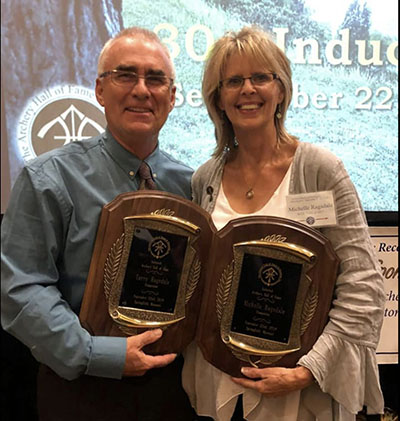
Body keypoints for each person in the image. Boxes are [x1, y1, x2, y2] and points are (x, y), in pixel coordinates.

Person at [181, 26, 385, 421]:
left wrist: (308, 370)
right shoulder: (205, 178)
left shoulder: (320, 170)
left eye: (260, 77)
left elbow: (363, 284)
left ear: (281, 89)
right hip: (218, 384)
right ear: (218, 98)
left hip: (298, 394)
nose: (248, 89)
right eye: (233, 81)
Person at [1, 27, 197, 420]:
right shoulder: (49, 178)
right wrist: (100, 354)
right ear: (100, 90)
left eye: (155, 79)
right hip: (82, 388)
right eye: (125, 75)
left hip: (174, 391)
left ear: (172, 97)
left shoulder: (191, 186)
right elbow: (20, 287)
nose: (141, 90)